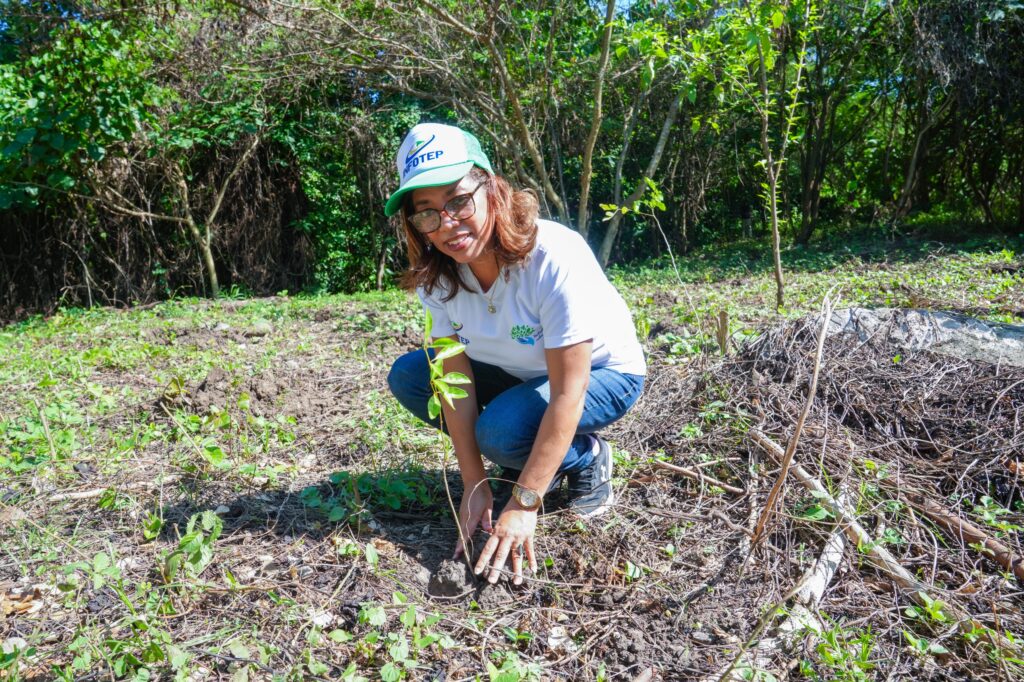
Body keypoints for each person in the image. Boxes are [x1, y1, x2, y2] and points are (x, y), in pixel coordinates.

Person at [385, 122, 645, 586]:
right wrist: (474, 484)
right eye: (426, 213)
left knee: (501, 432)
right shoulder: (437, 280)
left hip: (602, 374)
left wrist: (524, 502)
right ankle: (521, 445)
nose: (446, 224)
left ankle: (587, 457)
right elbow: (454, 383)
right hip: (520, 371)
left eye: (458, 200)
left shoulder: (552, 255)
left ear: (492, 189)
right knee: (410, 375)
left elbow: (570, 390)